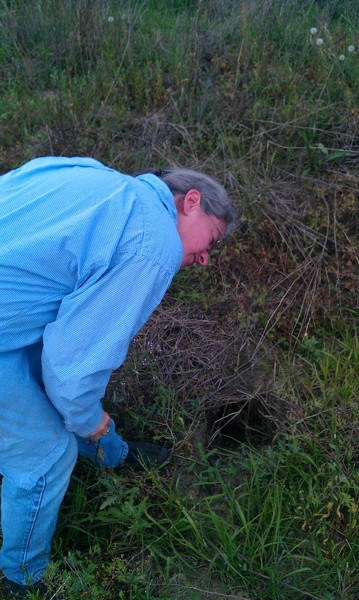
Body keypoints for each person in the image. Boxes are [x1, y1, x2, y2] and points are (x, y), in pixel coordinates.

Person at [0, 156, 235, 596]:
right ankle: (22, 578)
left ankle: (112, 454)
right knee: (45, 457)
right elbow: (72, 369)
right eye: (213, 240)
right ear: (191, 202)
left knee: (52, 397)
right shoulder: (153, 244)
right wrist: (91, 420)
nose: (205, 259)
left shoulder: (95, 176)